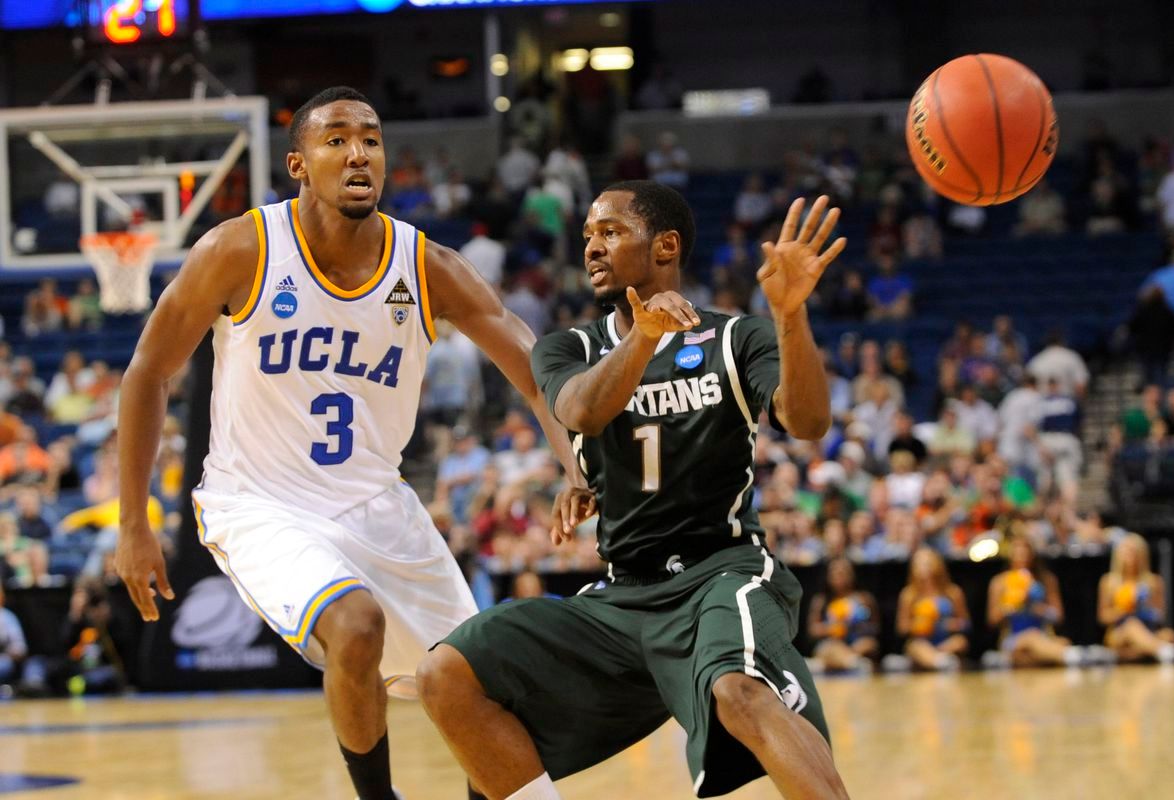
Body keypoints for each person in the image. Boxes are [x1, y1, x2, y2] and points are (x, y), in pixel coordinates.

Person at [114, 87, 582, 800]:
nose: (358, 152)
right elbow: (147, 372)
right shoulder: (242, 248)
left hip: (376, 504)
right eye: (337, 139)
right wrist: (132, 521)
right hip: (259, 503)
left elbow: (530, 365)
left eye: (371, 138)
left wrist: (574, 460)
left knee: (479, 688)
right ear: (299, 164)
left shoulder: (425, 266)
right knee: (354, 623)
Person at [418, 186, 851, 800]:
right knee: (446, 673)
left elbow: (807, 423)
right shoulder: (569, 347)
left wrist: (789, 315)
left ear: (665, 246)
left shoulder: (736, 338)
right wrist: (641, 339)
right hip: (622, 599)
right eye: (590, 234)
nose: (592, 245)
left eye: (612, 232)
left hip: (721, 574)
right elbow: (581, 412)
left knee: (739, 690)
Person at [983, 534, 1094, 668]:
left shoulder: (1046, 580)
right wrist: (1014, 605)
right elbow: (992, 620)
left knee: (1044, 648)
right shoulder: (999, 582)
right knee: (1031, 638)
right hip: (1013, 638)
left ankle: (1056, 657)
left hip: (1043, 635)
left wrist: (1040, 609)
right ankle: (1071, 657)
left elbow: (1058, 616)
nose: (1021, 557)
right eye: (1017, 554)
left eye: (1025, 553)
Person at [1098, 533, 1174, 663]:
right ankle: (1161, 651)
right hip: (1120, 632)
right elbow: (1103, 616)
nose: (1130, 556)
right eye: (1126, 551)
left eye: (1134, 551)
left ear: (1142, 555)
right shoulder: (1109, 582)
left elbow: (1160, 615)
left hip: (1148, 629)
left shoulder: (1154, 581)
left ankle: (1139, 652)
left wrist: (1145, 609)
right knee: (1132, 625)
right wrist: (1124, 610)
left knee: (1168, 634)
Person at [893, 547, 970, 671]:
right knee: (916, 647)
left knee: (960, 642)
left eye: (927, 563)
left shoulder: (952, 592)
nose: (923, 567)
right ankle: (940, 662)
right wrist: (920, 624)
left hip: (946, 642)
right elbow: (902, 628)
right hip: (922, 642)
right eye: (918, 564)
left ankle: (937, 659)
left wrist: (952, 624)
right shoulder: (908, 594)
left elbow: (966, 623)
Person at [807, 557, 879, 674]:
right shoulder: (821, 601)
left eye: (843, 572)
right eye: (834, 572)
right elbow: (813, 630)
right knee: (830, 648)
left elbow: (875, 627)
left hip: (856, 644)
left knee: (869, 644)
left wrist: (853, 626)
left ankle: (830, 664)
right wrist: (832, 628)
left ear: (852, 574)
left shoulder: (864, 598)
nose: (839, 576)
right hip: (832, 643)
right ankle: (852, 664)